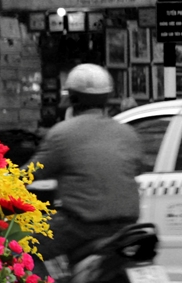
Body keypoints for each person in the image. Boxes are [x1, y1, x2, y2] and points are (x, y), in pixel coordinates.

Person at [29, 63, 142, 266]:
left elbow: (30, 174)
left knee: (21, 249)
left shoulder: (62, 133)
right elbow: (134, 168)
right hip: (126, 226)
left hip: (80, 226)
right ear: (107, 97)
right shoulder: (128, 133)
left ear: (71, 97)